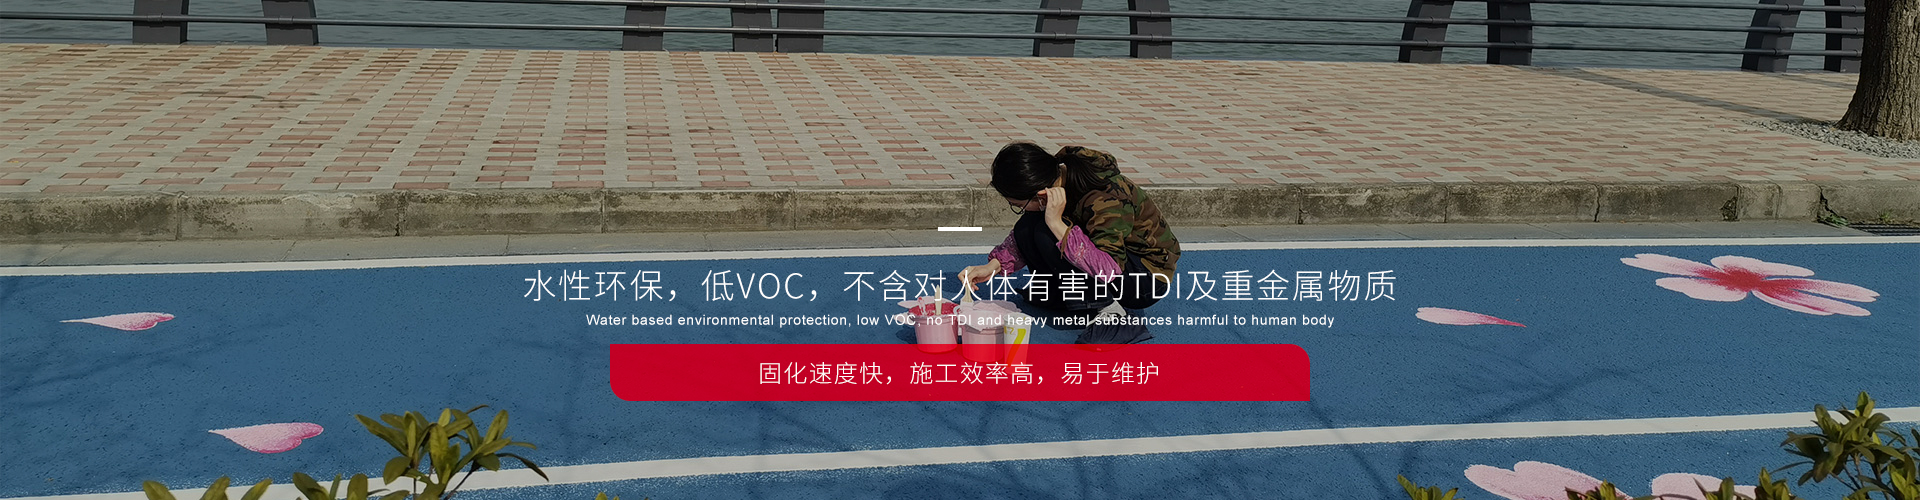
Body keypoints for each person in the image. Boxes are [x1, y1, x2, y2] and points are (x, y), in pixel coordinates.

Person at [961, 142, 1181, 346]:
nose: (1019, 209)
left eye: (1018, 205)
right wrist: (993, 267)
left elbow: (1109, 268)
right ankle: (1066, 294)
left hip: (1144, 276)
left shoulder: (1105, 197)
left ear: (1040, 194)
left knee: (1047, 229)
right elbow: (1024, 234)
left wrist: (1056, 224)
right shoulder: (1056, 179)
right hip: (1112, 262)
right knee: (1029, 225)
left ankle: (1112, 315)